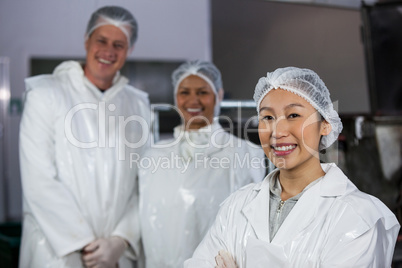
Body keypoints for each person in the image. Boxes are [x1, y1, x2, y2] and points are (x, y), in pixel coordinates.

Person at [184, 67, 400, 268]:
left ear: (325, 124)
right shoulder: (236, 206)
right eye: (267, 117)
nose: (277, 131)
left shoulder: (358, 217)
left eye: (293, 115)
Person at [19, 6, 150, 268]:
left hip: (115, 256)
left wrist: (120, 240)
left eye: (119, 44)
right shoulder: (46, 95)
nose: (108, 51)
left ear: (129, 51)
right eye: (101, 40)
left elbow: (145, 181)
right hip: (57, 252)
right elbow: (39, 180)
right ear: (86, 40)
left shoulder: (138, 105)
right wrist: (89, 247)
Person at [138, 60, 267, 268]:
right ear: (175, 97)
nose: (193, 100)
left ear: (219, 95)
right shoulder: (153, 156)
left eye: (202, 92)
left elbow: (254, 227)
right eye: (185, 92)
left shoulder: (246, 153)